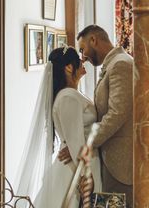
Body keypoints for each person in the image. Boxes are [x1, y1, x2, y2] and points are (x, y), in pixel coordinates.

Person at [15, 46, 102, 208]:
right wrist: (85, 177)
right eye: (78, 59)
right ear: (69, 67)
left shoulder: (72, 94)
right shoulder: (68, 97)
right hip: (74, 170)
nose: (82, 61)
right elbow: (75, 141)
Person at [77, 25, 133, 206]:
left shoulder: (121, 64)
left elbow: (117, 113)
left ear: (94, 40)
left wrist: (86, 142)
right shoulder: (114, 64)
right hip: (110, 161)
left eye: (82, 49)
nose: (83, 57)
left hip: (121, 164)